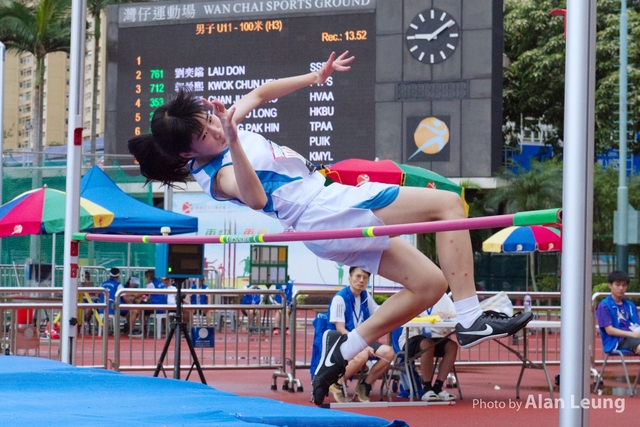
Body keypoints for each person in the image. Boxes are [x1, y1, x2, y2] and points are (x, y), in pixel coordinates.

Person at [127, 50, 533, 406]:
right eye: (205, 134)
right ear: (188, 152)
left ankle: (343, 349)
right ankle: (470, 319)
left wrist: (315, 77)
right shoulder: (217, 174)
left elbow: (260, 94)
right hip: (324, 211)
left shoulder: (222, 123)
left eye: (209, 121)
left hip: (327, 213)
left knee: (430, 285)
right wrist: (231, 139)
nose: (215, 129)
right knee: (448, 205)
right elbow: (255, 199)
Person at [327, 267, 394, 403]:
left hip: (362, 339)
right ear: (349, 279)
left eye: (365, 277)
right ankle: (337, 384)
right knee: (362, 355)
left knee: (388, 353)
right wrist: (362, 346)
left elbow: (379, 313)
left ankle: (365, 385)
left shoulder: (365, 296)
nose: (361, 280)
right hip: (342, 340)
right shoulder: (340, 298)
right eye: (358, 276)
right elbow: (340, 328)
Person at [398, 293, 458, 402]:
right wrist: (429, 317)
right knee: (427, 343)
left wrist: (448, 315)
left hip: (434, 337)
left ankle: (438, 387)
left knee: (452, 346)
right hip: (411, 337)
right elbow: (405, 314)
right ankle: (427, 387)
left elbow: (456, 314)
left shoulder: (443, 297)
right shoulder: (415, 294)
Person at [595, 270, 640, 355]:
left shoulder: (630, 305)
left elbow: (637, 324)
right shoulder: (604, 305)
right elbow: (609, 330)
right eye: (618, 285)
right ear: (610, 285)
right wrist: (633, 335)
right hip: (617, 341)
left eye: (624, 285)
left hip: (635, 337)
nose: (621, 288)